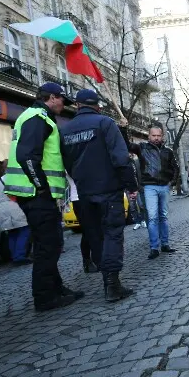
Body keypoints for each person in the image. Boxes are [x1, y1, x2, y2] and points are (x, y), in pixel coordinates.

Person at [4, 83, 83, 311]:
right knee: (48, 245)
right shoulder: (38, 118)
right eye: (61, 100)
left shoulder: (36, 116)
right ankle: (45, 297)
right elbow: (26, 155)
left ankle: (55, 288)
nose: (63, 105)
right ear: (51, 97)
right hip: (36, 195)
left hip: (33, 195)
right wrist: (41, 188)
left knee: (48, 243)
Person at [60, 89, 138, 302]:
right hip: (108, 191)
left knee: (95, 237)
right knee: (113, 234)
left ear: (77, 105)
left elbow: (67, 163)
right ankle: (112, 284)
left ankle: (108, 281)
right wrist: (131, 185)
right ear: (98, 106)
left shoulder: (64, 130)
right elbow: (121, 159)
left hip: (84, 193)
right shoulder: (105, 123)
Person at [119, 121, 179, 260]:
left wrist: (172, 182)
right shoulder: (142, 148)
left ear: (162, 136)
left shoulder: (168, 151)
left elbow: (175, 167)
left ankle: (165, 244)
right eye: (154, 135)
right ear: (149, 136)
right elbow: (127, 146)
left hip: (164, 186)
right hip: (149, 186)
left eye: (158, 135)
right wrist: (123, 129)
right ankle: (154, 247)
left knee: (163, 216)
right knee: (152, 217)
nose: (156, 138)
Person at [0, 160, 31, 265]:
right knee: (24, 230)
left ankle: (14, 256)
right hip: (14, 206)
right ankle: (19, 256)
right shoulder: (11, 177)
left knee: (12, 233)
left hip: (2, 209)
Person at [65, 173, 97, 273]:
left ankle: (97, 258)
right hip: (78, 198)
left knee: (97, 229)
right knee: (87, 231)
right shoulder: (70, 160)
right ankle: (87, 261)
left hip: (94, 195)